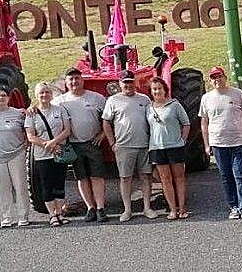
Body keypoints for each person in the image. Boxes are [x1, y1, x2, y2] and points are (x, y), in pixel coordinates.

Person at [199, 67, 242, 222]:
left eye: (219, 76)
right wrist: (206, 144)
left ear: (225, 77)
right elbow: (204, 122)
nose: (217, 80)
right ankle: (234, 206)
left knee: (240, 174)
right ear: (210, 81)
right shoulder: (206, 98)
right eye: (213, 78)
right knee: (226, 176)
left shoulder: (237, 94)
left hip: (239, 141)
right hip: (218, 143)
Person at [102, 70, 159, 222]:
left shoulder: (145, 99)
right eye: (125, 82)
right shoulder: (113, 100)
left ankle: (147, 207)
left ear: (134, 82)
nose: (128, 85)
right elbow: (106, 122)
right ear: (120, 84)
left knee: (146, 177)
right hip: (124, 146)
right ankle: (127, 210)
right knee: (125, 178)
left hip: (144, 145)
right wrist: (112, 143)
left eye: (130, 82)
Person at [55, 68, 109, 222]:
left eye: (77, 78)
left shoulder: (96, 98)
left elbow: (108, 119)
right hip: (73, 145)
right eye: (70, 79)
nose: (74, 82)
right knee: (82, 177)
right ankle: (90, 207)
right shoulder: (60, 101)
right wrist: (31, 109)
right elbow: (44, 109)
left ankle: (100, 208)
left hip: (93, 143)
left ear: (82, 80)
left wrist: (103, 135)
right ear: (66, 82)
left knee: (97, 176)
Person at [24, 82, 71, 226]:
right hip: (43, 154)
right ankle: (52, 215)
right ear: (37, 96)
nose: (44, 95)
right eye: (41, 93)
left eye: (47, 92)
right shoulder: (31, 113)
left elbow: (67, 130)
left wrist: (55, 142)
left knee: (59, 183)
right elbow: (31, 136)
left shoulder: (59, 109)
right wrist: (48, 145)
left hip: (59, 152)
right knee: (46, 184)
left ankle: (59, 212)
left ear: (51, 94)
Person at [0, 87, 30, 227]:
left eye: (3, 95)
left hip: (16, 153)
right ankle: (6, 217)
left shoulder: (18, 113)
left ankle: (23, 216)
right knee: (3, 188)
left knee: (20, 186)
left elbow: (30, 127)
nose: (0, 98)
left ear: (8, 98)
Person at [146, 77, 190, 220]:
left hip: (175, 147)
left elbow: (186, 124)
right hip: (157, 148)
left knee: (179, 178)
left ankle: (182, 208)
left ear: (165, 89)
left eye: (159, 88)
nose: (157, 91)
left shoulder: (175, 105)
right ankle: (172, 209)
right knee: (165, 179)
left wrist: (182, 140)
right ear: (151, 92)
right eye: (154, 89)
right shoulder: (148, 108)